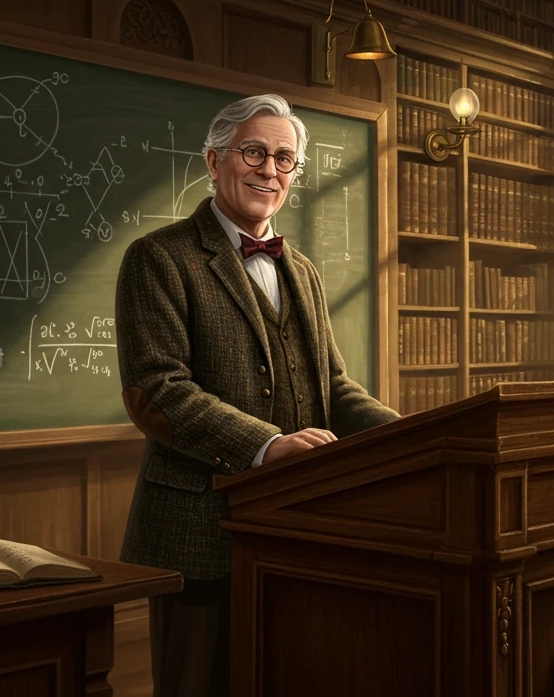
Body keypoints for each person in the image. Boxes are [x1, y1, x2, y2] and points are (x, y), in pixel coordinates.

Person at [116, 93, 399, 697]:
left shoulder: (303, 269)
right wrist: (267, 446)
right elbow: (157, 392)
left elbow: (335, 387)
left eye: (284, 158)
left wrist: (409, 436)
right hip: (198, 532)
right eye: (254, 152)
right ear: (214, 161)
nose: (269, 169)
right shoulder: (158, 258)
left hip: (299, 533)